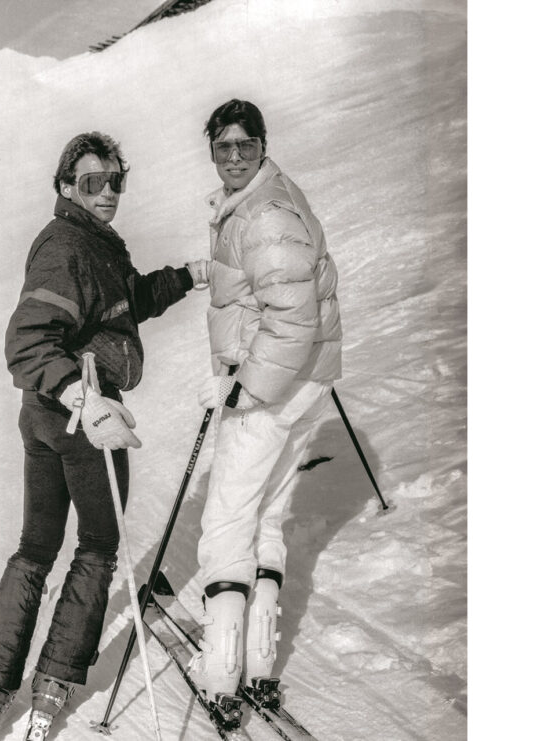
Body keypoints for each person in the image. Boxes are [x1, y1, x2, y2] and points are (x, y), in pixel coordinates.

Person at [0, 131, 210, 741]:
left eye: (113, 182)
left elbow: (127, 301)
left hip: (46, 417)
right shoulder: (65, 246)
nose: (105, 194)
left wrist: (191, 275)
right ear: (65, 187)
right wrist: (85, 397)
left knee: (35, 547)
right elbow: (26, 342)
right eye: (90, 183)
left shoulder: (93, 243)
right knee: (98, 545)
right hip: (77, 419)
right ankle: (53, 681)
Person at [189, 100, 343, 700]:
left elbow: (291, 315)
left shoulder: (264, 214)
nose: (232, 156)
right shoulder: (264, 200)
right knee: (266, 517)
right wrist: (220, 270)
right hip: (307, 384)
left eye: (243, 146)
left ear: (261, 145)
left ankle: (221, 675)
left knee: (227, 521)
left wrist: (246, 387)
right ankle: (256, 662)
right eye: (222, 147)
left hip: (271, 391)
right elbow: (280, 280)